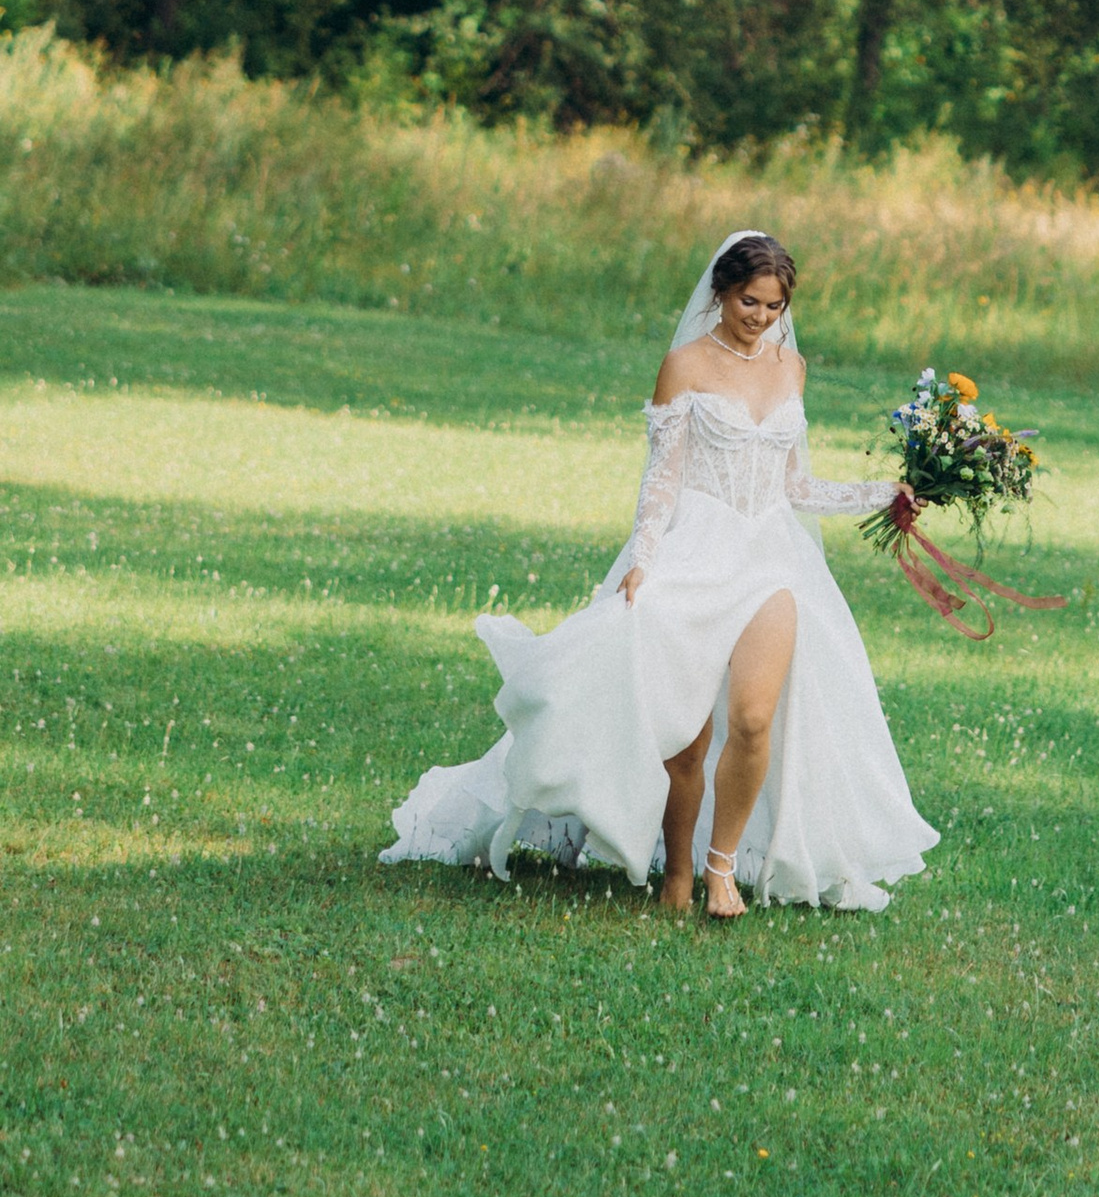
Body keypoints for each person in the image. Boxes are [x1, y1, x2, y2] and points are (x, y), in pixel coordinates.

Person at [383, 227, 937, 915]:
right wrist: (643, 559)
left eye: (773, 305)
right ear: (721, 292)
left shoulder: (790, 370)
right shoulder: (685, 365)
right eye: (748, 301)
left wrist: (886, 492)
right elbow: (661, 481)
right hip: (692, 551)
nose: (761, 317)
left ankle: (720, 869)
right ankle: (676, 871)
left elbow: (795, 485)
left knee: (755, 716)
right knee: (685, 735)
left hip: (769, 557)